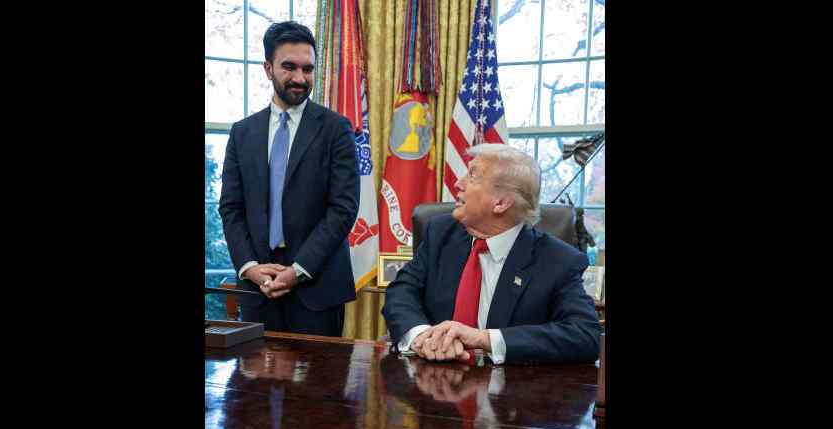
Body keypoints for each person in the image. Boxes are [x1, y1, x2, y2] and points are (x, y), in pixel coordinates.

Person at [382, 143, 600, 365]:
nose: (458, 183)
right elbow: (402, 291)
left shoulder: (558, 261)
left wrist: (484, 339)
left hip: (510, 391)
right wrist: (422, 335)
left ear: (501, 203)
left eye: (473, 176)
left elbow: (584, 336)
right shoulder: (440, 233)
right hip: (433, 381)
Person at [219, 21, 360, 336]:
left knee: (319, 386)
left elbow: (343, 209)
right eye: (289, 67)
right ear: (268, 68)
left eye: (308, 69)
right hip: (257, 290)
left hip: (317, 288)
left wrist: (298, 271)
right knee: (252, 386)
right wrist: (249, 268)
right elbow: (231, 209)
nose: (300, 78)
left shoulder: (337, 129)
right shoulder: (242, 133)